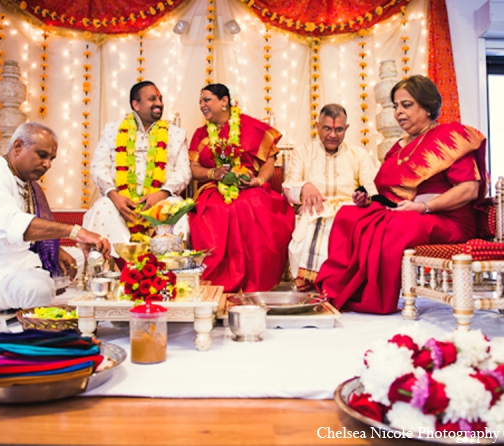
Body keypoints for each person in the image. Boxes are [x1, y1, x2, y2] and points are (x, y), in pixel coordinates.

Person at [315, 75, 488, 314]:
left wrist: (424, 207)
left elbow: (469, 189)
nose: (398, 112)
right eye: (396, 106)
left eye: (406, 105)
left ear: (427, 106)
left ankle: (372, 297)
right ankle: (339, 291)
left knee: (398, 224)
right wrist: (368, 200)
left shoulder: (451, 137)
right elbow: (392, 197)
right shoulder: (399, 147)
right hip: (411, 214)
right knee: (348, 214)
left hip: (449, 219)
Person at [0, 122, 111, 313]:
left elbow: (24, 235)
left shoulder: (25, 183)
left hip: (14, 262)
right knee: (37, 287)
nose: (48, 164)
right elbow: (12, 226)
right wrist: (76, 232)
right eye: (42, 155)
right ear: (18, 146)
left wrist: (56, 249)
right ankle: (36, 297)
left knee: (80, 259)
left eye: (51, 159)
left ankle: (39, 285)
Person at [189, 83, 295, 292]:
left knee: (253, 206)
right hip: (213, 187)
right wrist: (213, 173)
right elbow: (193, 168)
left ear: (224, 101)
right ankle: (216, 285)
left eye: (207, 99)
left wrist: (259, 180)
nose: (202, 105)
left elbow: (270, 157)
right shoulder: (201, 134)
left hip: (248, 185)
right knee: (217, 210)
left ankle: (256, 283)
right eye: (200, 101)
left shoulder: (249, 126)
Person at [83, 81, 191, 257]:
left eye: (160, 99)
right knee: (103, 207)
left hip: (162, 202)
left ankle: (170, 274)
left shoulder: (176, 134)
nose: (159, 103)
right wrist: (114, 195)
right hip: (121, 202)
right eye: (152, 99)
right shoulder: (112, 130)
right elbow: (98, 166)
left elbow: (183, 172)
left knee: (177, 211)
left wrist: (161, 194)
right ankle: (114, 272)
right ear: (136, 104)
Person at [283, 104, 378, 291]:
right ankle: (313, 284)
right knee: (313, 222)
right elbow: (288, 185)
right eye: (327, 128)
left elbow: (371, 189)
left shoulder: (359, 155)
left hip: (349, 211)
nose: (333, 135)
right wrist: (304, 186)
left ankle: (343, 287)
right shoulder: (302, 152)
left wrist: (363, 198)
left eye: (339, 129)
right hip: (314, 210)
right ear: (317, 127)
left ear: (346, 128)